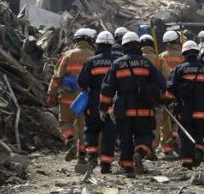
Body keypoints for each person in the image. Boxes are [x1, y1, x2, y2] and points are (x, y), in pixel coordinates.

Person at [99, 32, 166, 177]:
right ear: (139, 46)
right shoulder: (146, 63)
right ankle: (140, 152)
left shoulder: (117, 64)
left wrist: (103, 108)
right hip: (144, 108)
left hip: (123, 109)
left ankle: (127, 167)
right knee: (145, 135)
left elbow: (107, 88)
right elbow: (161, 83)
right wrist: (160, 99)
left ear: (123, 46)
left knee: (125, 139)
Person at [47, 28, 95, 163]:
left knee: (65, 123)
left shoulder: (67, 55)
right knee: (83, 127)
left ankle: (69, 141)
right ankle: (81, 156)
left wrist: (51, 95)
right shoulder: (94, 57)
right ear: (91, 41)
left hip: (68, 99)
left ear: (76, 40)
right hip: (86, 100)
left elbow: (57, 77)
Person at [166, 40, 204, 169]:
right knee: (199, 132)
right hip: (201, 107)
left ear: (184, 54)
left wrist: (165, 101)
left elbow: (171, 88)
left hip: (184, 108)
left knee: (185, 134)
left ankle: (187, 161)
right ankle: (198, 150)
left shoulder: (180, 69)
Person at [78, 31, 118, 173]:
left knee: (91, 129)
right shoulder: (117, 61)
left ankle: (92, 155)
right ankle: (106, 166)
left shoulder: (91, 61)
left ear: (97, 44)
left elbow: (82, 82)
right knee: (110, 134)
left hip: (94, 101)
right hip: (112, 103)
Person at [140, 34, 173, 157]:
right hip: (155, 97)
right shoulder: (159, 60)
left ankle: (143, 148)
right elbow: (167, 77)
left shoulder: (137, 58)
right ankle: (152, 149)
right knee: (155, 123)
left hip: (139, 97)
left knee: (141, 123)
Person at [159, 30, 184, 149]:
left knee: (165, 120)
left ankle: (166, 147)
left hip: (166, 90)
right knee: (179, 116)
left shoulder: (162, 56)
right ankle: (177, 141)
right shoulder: (183, 55)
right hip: (180, 90)